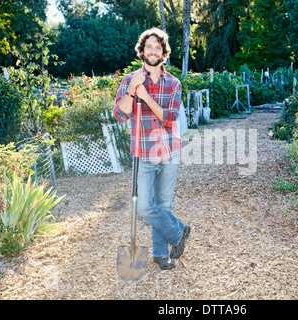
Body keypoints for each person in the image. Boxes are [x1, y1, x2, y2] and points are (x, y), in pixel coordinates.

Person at [114, 27, 190, 270]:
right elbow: (120, 115)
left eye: (158, 47)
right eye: (149, 47)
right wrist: (131, 89)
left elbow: (170, 118)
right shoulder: (131, 79)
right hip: (143, 153)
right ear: (142, 51)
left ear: (163, 52)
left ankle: (161, 254)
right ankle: (178, 232)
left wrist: (145, 96)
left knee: (164, 205)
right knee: (146, 206)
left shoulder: (174, 83)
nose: (153, 51)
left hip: (169, 152)